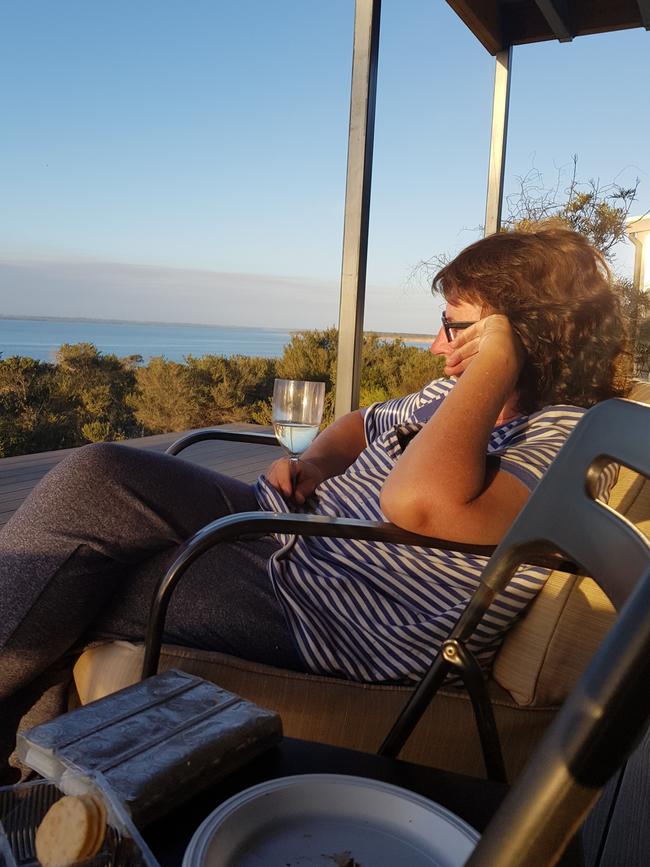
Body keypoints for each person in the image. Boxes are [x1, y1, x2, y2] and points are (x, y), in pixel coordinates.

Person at [0, 225, 628, 780]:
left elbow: (420, 505)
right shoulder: (447, 396)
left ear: (523, 336)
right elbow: (360, 423)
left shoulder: (566, 438)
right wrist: (314, 463)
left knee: (92, 578)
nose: (438, 347)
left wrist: (495, 364)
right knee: (99, 472)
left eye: (457, 327)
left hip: (333, 609)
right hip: (284, 529)